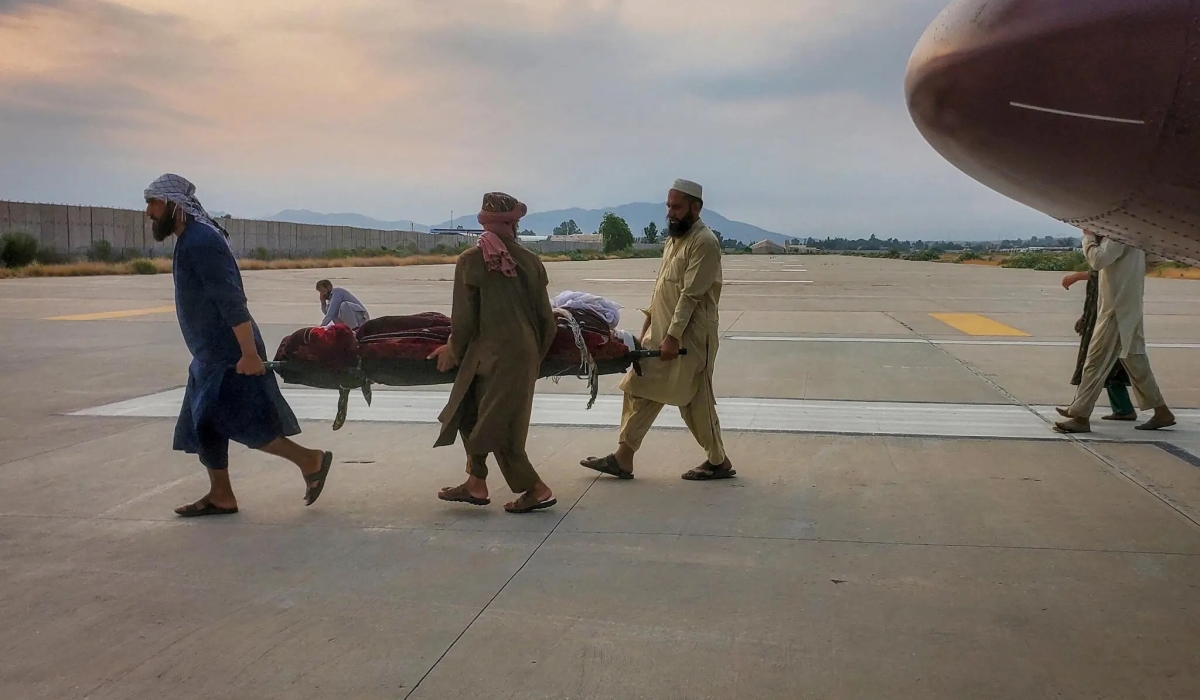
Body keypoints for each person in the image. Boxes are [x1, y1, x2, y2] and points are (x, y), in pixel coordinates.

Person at [144, 173, 334, 517]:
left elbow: (231, 300)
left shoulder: (201, 241)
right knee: (205, 423)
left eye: (152, 203)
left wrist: (248, 353)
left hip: (230, 352)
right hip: (209, 353)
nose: (148, 212)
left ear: (173, 204)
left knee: (247, 422)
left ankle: (311, 460)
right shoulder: (189, 239)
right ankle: (221, 495)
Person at [580, 179, 734, 481]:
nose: (671, 212)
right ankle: (624, 457)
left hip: (689, 338)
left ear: (696, 207)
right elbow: (661, 289)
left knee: (694, 401)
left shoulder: (704, 242)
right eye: (668, 206)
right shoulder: (674, 240)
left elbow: (690, 295)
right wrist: (648, 329)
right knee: (639, 387)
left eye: (676, 207)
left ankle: (717, 461)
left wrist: (673, 338)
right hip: (662, 334)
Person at [429, 192, 560, 514]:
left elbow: (463, 318)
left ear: (484, 223)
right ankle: (476, 482)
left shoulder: (471, 260)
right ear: (514, 224)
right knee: (467, 412)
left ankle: (536, 489)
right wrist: (533, 357)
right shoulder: (530, 261)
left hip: (490, 355)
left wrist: (452, 350)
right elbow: (548, 321)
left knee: (498, 428)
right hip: (517, 354)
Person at [1054, 230, 1176, 433]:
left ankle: (1081, 416)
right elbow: (1156, 258)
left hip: (1116, 311)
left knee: (1095, 362)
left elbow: (1097, 260)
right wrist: (1130, 273)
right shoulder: (1135, 235)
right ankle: (1162, 412)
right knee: (1136, 363)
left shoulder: (1118, 235)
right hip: (1129, 308)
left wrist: (1088, 238)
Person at [1061, 270, 1135, 421]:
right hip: (1096, 320)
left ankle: (1078, 410)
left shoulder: (1109, 261)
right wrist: (1085, 317)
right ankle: (1122, 408)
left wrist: (1075, 276)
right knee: (1103, 366)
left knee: (1098, 365)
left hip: (1106, 322)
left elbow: (1103, 272)